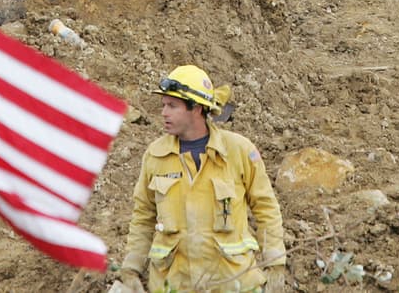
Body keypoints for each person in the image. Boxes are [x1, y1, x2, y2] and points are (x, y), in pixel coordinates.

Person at [118, 65, 287, 293]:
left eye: (172, 106)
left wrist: (275, 263)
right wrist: (131, 268)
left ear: (196, 108)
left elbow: (266, 208)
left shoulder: (238, 151)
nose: (164, 113)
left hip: (232, 285)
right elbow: (143, 217)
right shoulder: (155, 155)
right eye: (163, 105)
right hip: (174, 286)